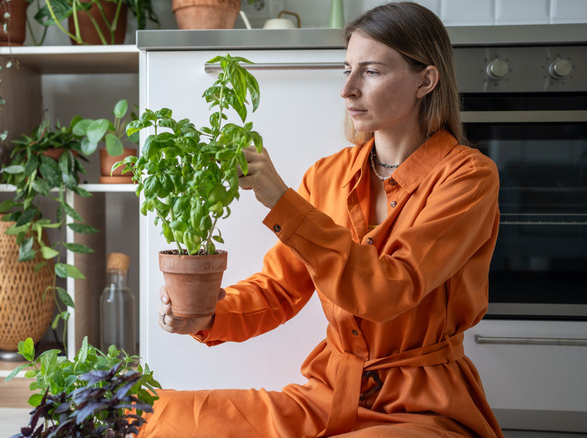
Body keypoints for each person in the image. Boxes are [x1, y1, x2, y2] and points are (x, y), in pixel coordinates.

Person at [141, 2, 504, 437]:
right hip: (327, 396)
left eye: (370, 71)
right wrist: (207, 316)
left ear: (425, 80)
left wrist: (281, 200)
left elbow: (391, 288)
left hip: (421, 409)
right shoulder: (328, 175)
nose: (347, 89)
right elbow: (278, 289)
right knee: (157, 415)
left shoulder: (468, 177)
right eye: (346, 69)